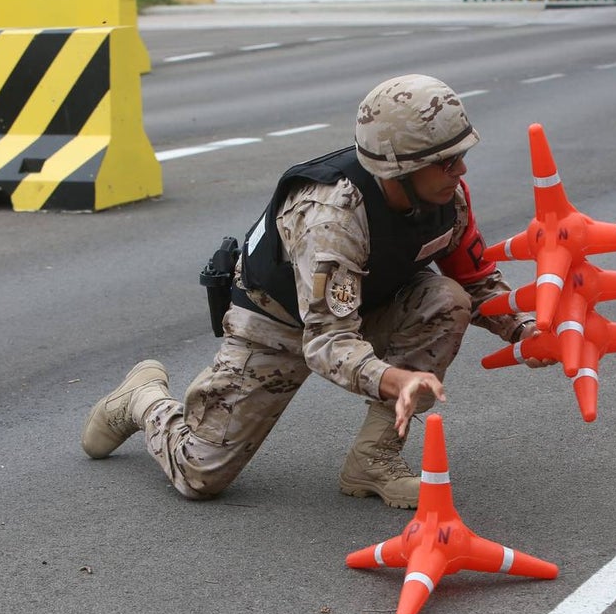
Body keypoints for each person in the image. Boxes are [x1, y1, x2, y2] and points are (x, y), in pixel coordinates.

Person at [81, 74, 546, 509]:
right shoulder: (333, 217)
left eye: (461, 155)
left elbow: (475, 281)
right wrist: (394, 379)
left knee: (446, 299)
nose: (460, 169)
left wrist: (528, 333)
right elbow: (326, 342)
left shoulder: (447, 196)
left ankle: (373, 461)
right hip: (277, 323)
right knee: (199, 475)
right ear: (400, 167)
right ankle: (143, 397)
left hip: (367, 304)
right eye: (447, 162)